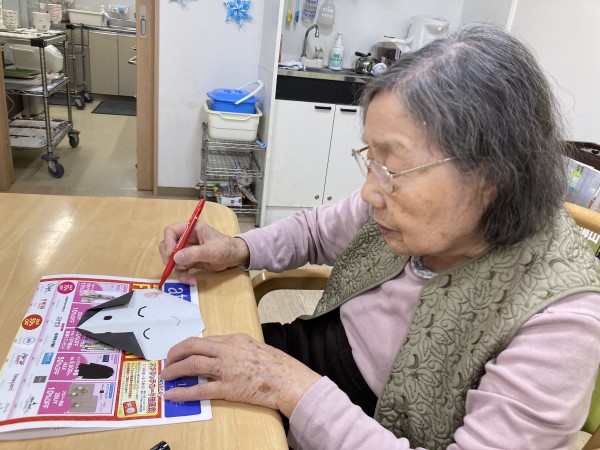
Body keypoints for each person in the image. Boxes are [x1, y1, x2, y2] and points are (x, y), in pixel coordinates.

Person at [158, 23, 600, 450]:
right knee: (162, 377)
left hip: (370, 423)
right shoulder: (403, 209)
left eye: (394, 167)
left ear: (493, 176)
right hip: (317, 354)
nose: (370, 192)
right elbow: (314, 231)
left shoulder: (562, 320)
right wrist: (238, 247)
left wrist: (290, 388)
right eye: (371, 160)